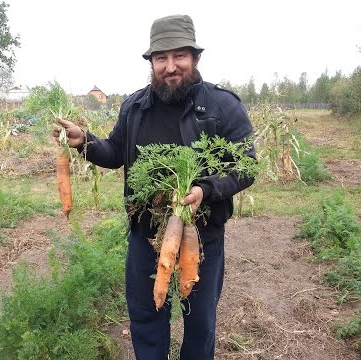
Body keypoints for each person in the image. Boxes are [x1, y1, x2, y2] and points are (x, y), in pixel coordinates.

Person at [52, 14, 256, 360]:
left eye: (179, 56)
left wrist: (205, 189)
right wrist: (85, 142)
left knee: (200, 324)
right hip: (145, 235)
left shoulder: (223, 107)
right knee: (146, 319)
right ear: (152, 63)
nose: (170, 66)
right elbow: (116, 152)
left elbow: (245, 168)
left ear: (194, 58)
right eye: (161, 58)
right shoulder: (134, 106)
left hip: (200, 237)